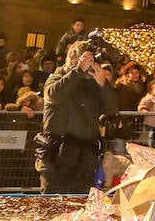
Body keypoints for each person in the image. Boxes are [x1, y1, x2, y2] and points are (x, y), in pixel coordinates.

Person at [36, 41, 118, 193]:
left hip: (84, 160)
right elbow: (54, 95)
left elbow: (112, 109)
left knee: (80, 209)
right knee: (53, 208)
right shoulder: (57, 78)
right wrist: (78, 70)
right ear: (75, 60)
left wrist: (103, 84)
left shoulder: (92, 85)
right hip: (57, 159)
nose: (90, 65)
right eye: (87, 61)